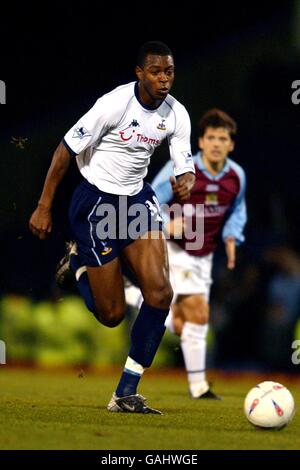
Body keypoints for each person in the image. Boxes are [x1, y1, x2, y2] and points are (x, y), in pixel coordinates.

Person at [29, 41, 195, 414]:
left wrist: (187, 180)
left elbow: (184, 164)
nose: (164, 79)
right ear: (140, 73)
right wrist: (44, 206)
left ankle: (125, 393)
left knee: (159, 293)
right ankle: (79, 266)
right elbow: (64, 151)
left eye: (169, 71)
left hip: (136, 201)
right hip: (96, 202)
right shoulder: (113, 104)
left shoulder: (176, 113)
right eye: (156, 71)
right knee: (112, 316)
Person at [150, 108, 247, 398]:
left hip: (204, 254)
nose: (217, 143)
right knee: (199, 314)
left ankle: (197, 385)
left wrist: (232, 236)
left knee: (186, 324)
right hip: (174, 249)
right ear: (201, 142)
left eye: (223, 138)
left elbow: (237, 210)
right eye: (211, 137)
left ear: (231, 144)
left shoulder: (236, 176)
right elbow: (150, 199)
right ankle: (200, 386)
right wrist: (168, 223)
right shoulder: (180, 169)